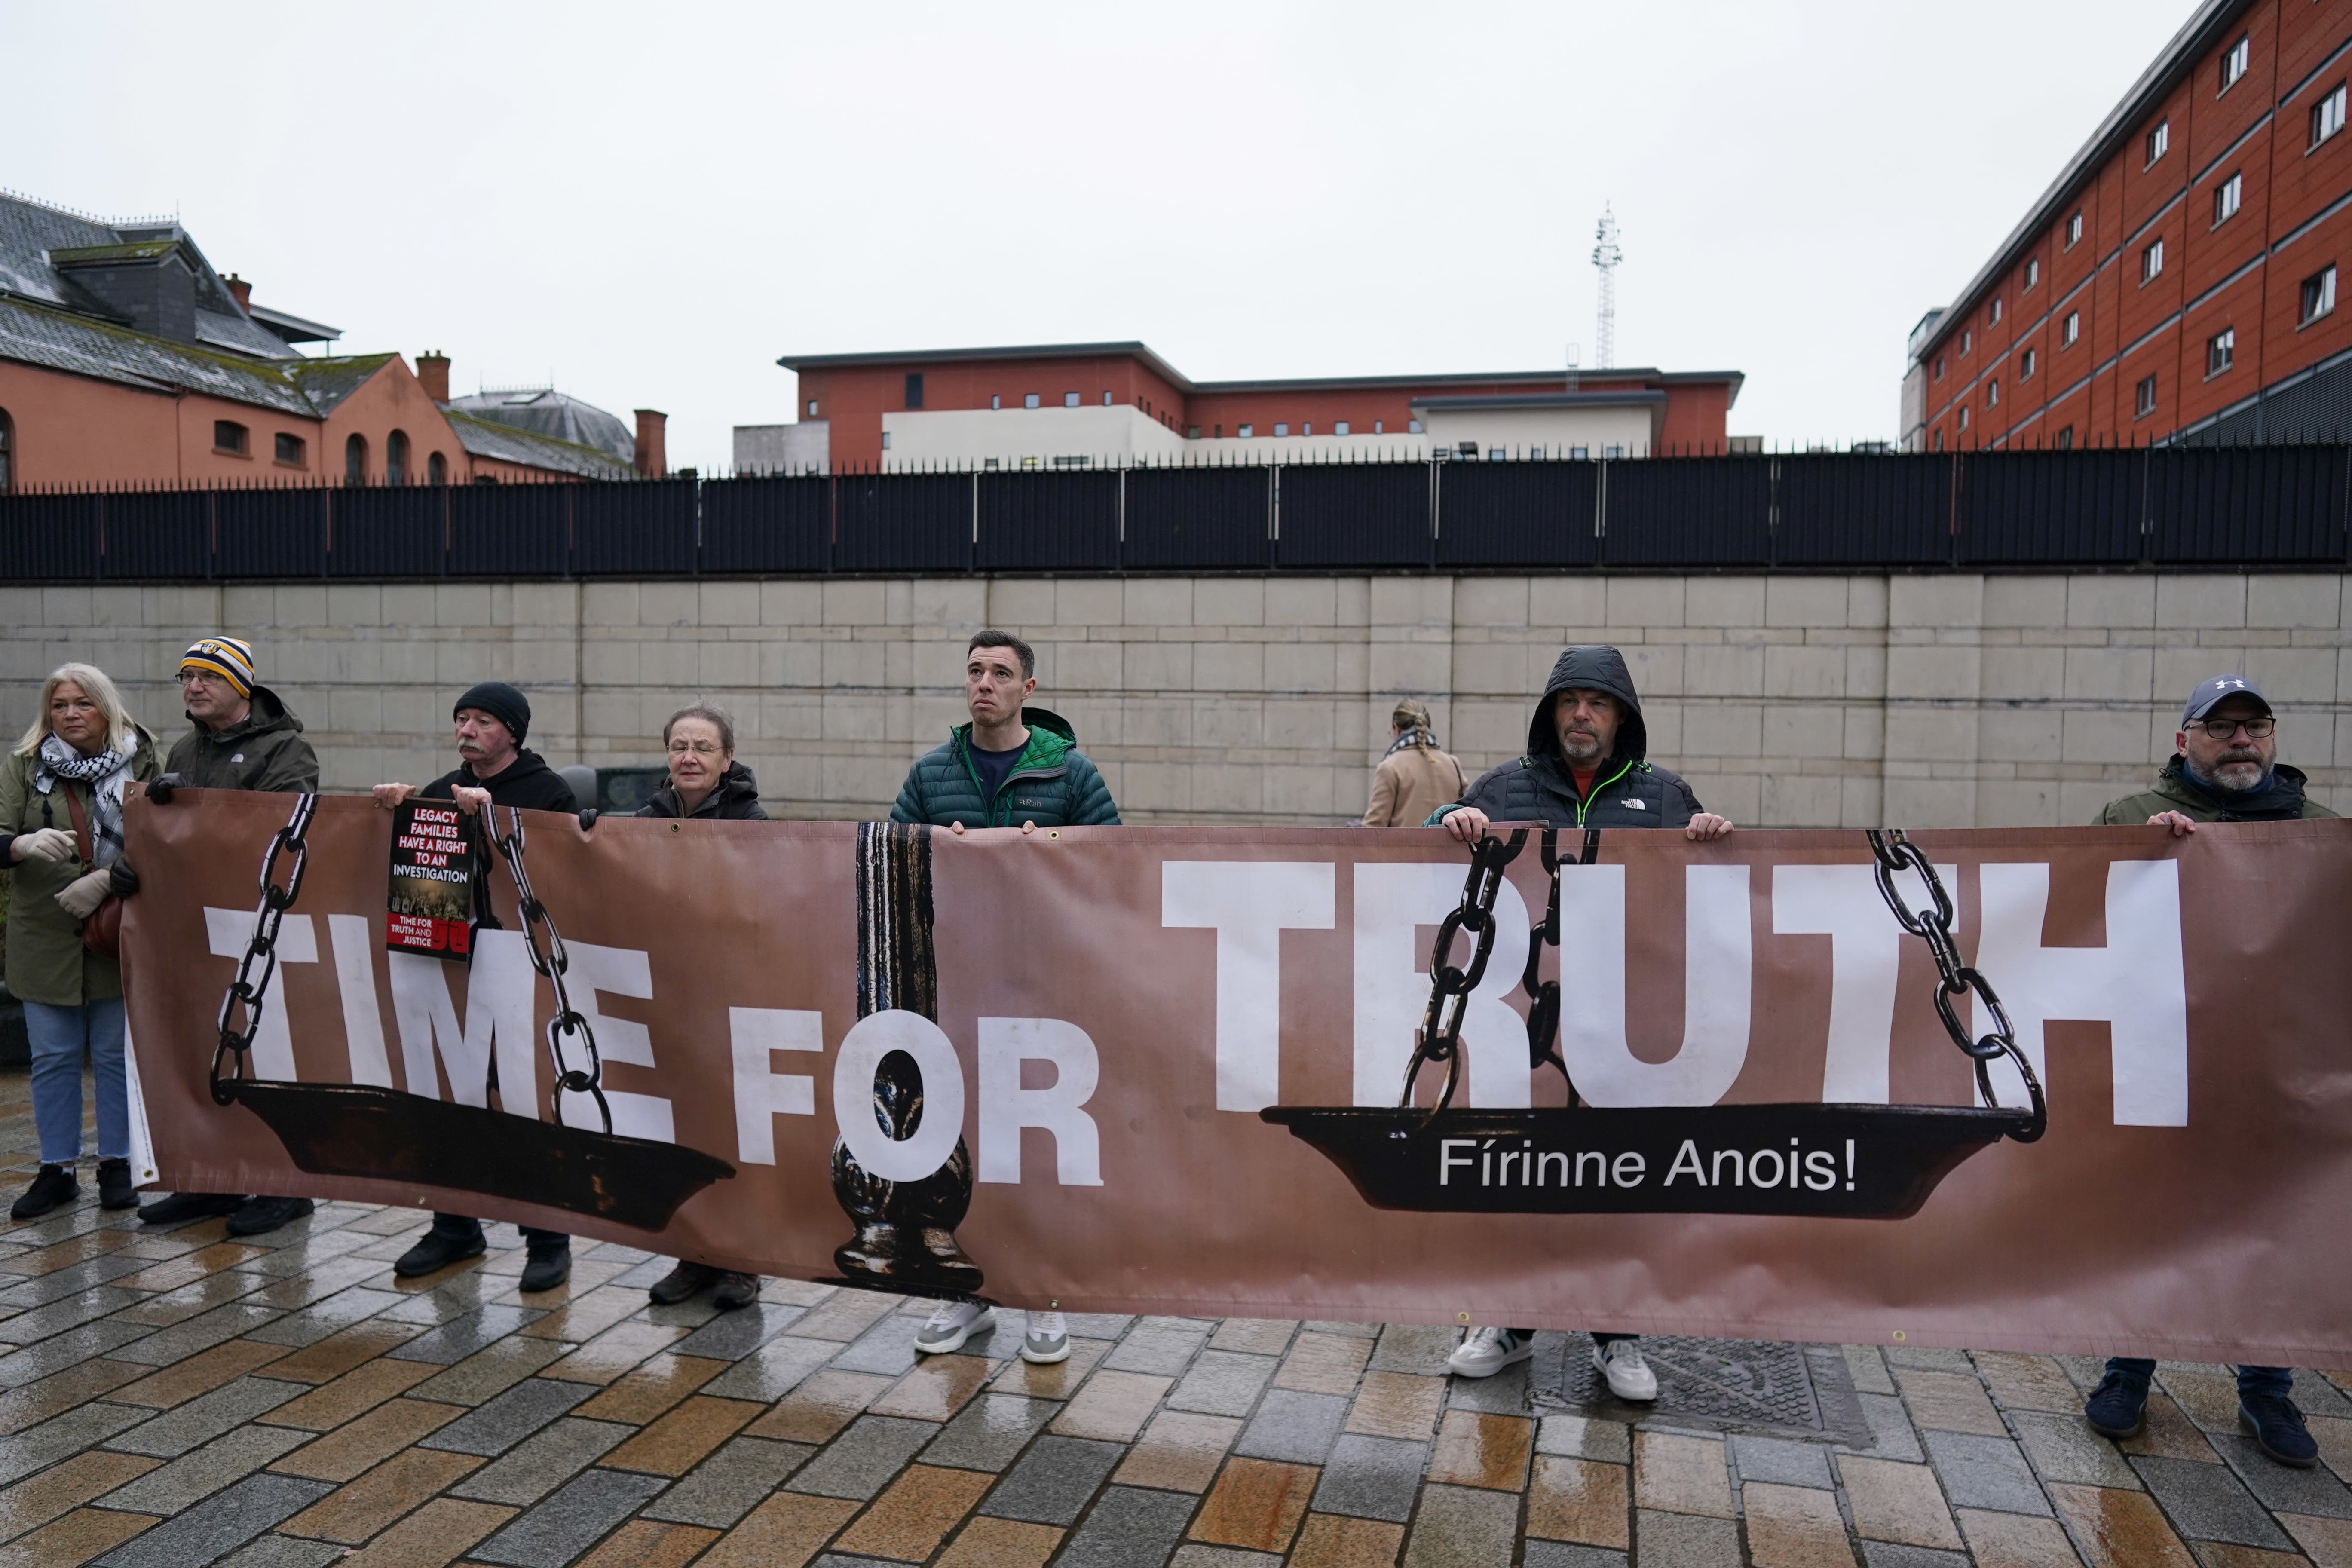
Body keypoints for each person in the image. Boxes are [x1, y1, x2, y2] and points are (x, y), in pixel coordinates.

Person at [1432, 645, 1734, 1402]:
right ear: (1550, 712)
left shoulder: (1664, 795)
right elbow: (1432, 842)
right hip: (1525, 1018)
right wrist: (1450, 816)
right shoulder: (1504, 785)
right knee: (1524, 1171)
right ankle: (1508, 1321)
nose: (1581, 715)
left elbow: (1713, 890)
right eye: (1569, 701)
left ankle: (1615, 1330)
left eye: (1596, 703)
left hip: (1621, 1024)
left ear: (1620, 716)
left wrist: (1717, 837)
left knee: (1611, 1173)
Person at [2081, 673, 2327, 1470]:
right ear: (2184, 741)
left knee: (2267, 1229)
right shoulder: (2129, 816)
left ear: (2274, 736)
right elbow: (2077, 909)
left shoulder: (2323, 833)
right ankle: (2129, 1370)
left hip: (2273, 1071)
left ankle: (2268, 1387)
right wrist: (2138, 857)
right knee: (2155, 1219)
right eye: (2220, 728)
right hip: (2164, 1059)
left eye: (2253, 725)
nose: (2240, 741)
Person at [893, 630, 1119, 1365]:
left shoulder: (1072, 774)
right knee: (957, 1142)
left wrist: (1051, 856)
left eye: (1000, 672)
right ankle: (969, 1294)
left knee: (1037, 1145)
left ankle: (1042, 1298)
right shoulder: (930, 773)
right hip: (956, 985)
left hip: (1042, 987)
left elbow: (1115, 869)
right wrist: (933, 844)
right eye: (974, 671)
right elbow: (890, 857)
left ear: (1029, 688)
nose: (983, 682)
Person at [371, 682, 578, 1294]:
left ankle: (547, 1238)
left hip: (520, 968)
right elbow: (420, 885)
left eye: (483, 720)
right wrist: (398, 812)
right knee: (452, 1095)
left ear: (512, 733)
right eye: (462, 718)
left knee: (523, 1100)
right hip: (453, 969)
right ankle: (454, 1225)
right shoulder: (441, 792)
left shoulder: (548, 792)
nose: (467, 729)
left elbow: (563, 875)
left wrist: (492, 819)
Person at [137, 637, 323, 1237]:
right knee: (202, 1050)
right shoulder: (187, 747)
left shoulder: (285, 749)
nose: (193, 688)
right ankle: (211, 1182)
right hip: (197, 927)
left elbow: (281, 829)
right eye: (186, 678)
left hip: (259, 927)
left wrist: (193, 819)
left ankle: (283, 1189)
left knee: (262, 1056)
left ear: (240, 686)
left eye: (207, 678)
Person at [0, 665, 161, 1218]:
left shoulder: (144, 760)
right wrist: (20, 844)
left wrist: (106, 880)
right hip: (42, 935)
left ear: (106, 707)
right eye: (60, 705)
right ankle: (57, 1170)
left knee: (115, 1056)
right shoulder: (25, 766)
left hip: (117, 930)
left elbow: (166, 842)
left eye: (83, 704)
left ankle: (118, 1164)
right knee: (53, 1057)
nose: (70, 714)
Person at [637, 704, 766, 1311]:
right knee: (681, 1132)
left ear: (727, 760)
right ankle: (692, 1253)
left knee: (735, 1131)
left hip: (733, 998)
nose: (689, 758)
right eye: (679, 746)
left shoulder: (751, 820)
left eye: (703, 748)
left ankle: (741, 1261)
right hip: (672, 1000)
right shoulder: (643, 821)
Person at [1362, 698, 1466, 828]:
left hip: (1405, 847)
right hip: (1447, 848)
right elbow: (1466, 810)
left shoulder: (1390, 767)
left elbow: (1374, 827)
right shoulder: (1453, 764)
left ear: (1396, 728)